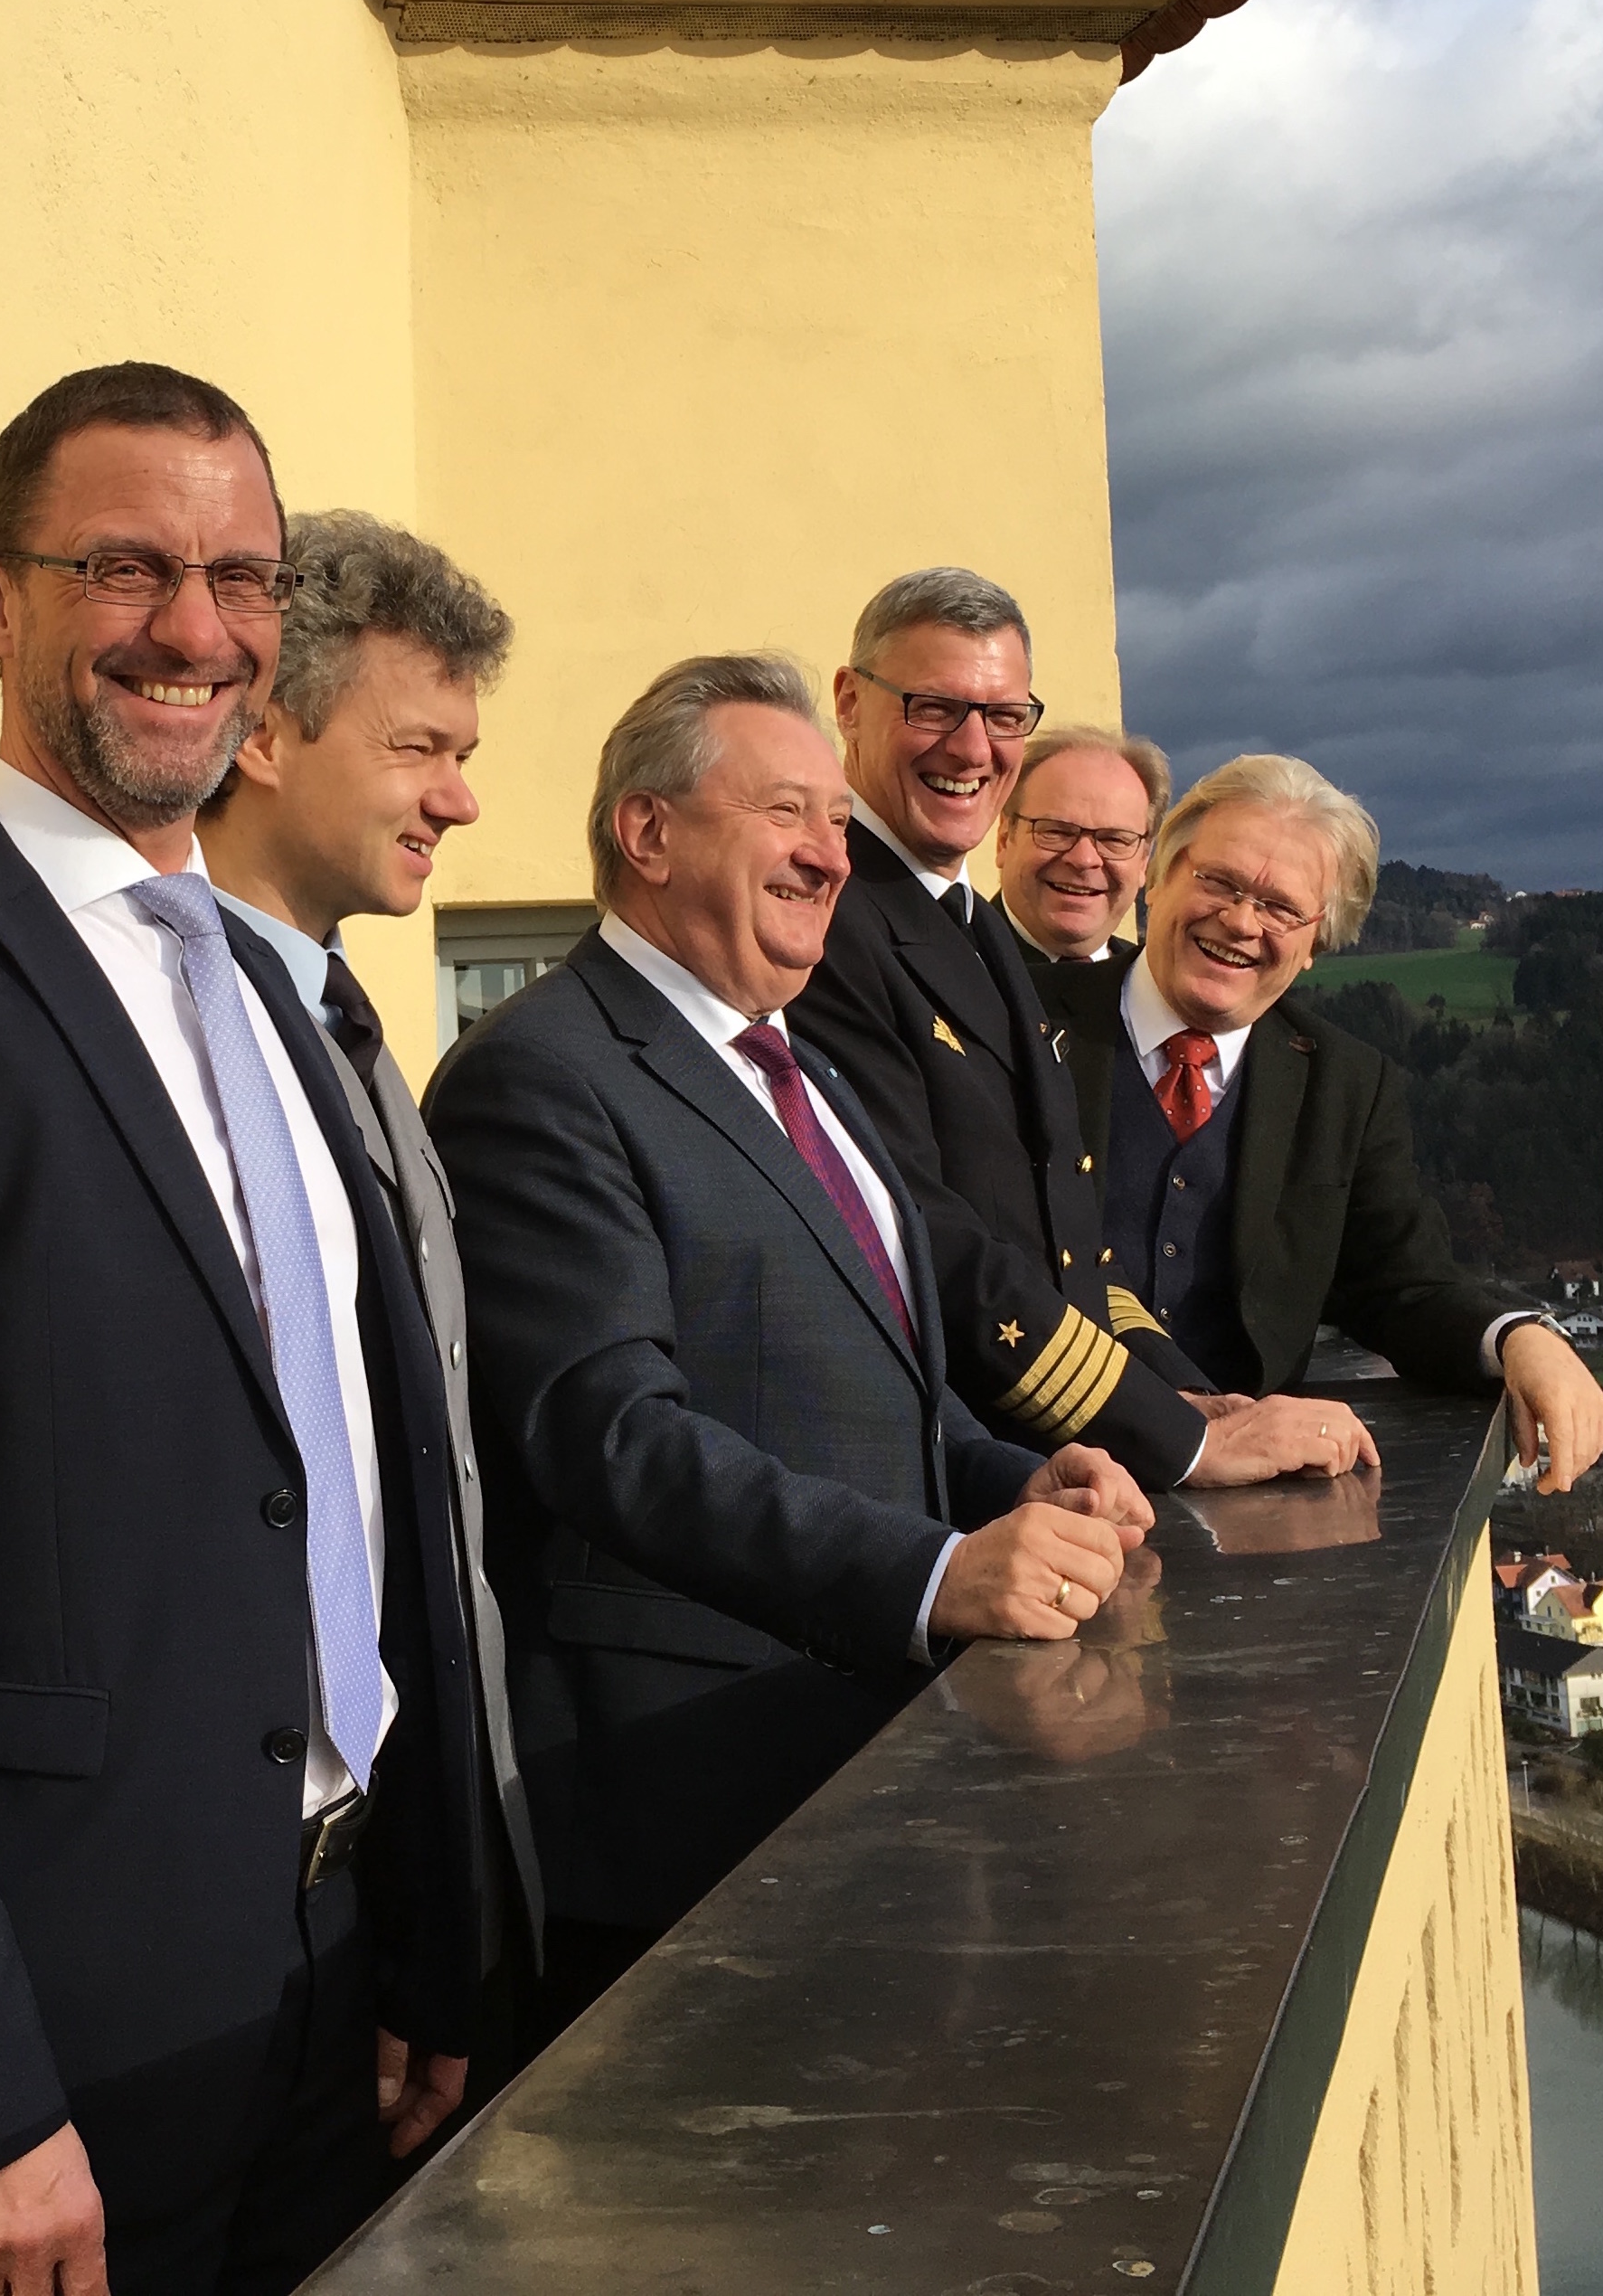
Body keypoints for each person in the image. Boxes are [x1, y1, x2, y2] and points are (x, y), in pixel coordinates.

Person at [0, 365, 495, 2296]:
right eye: (124, 567)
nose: (195, 630)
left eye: (241, 577)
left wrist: (430, 1938)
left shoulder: (290, 1002)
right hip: (59, 2028)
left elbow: (357, 1488)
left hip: (332, 1983)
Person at [423, 652, 1154, 2027]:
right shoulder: (540, 1074)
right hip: (673, 1832)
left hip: (852, 1776)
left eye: (833, 819)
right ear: (647, 831)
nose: (830, 854)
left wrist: (1017, 1479)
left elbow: (881, 1375)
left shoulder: (794, 1063)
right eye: (788, 814)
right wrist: (938, 1569)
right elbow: (612, 1438)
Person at [198, 506, 543, 2043]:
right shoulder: (143, 1038)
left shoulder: (349, 1029)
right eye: (420, 748)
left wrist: (418, 1926)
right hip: (175, 1930)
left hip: (353, 1912)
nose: (460, 800)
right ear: (265, 730)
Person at [791, 567, 1360, 1492]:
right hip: (939, 1485)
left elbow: (1063, 1242)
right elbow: (924, 1236)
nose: (973, 747)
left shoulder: (966, 925)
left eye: (1006, 715)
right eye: (935, 706)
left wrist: (1179, 1395)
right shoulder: (829, 918)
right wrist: (1184, 1442)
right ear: (850, 703)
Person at [1032, 753, 1603, 1490]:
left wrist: (1521, 1337)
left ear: (1314, 947)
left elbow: (1402, 1283)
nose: (1240, 920)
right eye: (1219, 881)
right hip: (1038, 1479)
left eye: (1280, 907)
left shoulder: (1346, 1084)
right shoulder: (1021, 1020)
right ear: (1157, 876)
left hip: (1249, 1503)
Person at [993, 723, 1168, 965]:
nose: (1084, 860)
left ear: (1143, 861)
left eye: (1114, 839)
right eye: (1056, 831)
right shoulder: (941, 970)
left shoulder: (1154, 988)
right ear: (1004, 839)